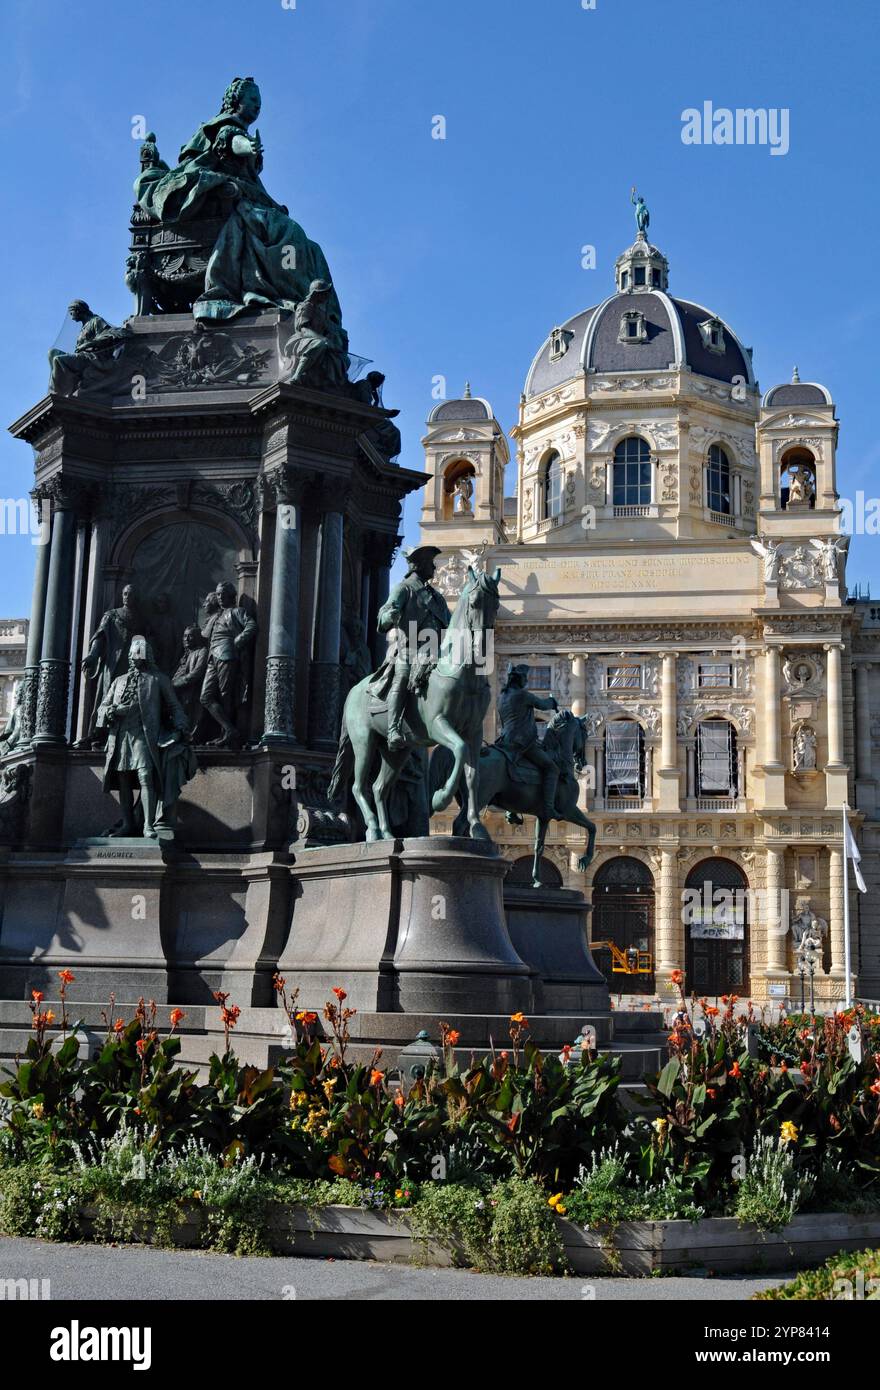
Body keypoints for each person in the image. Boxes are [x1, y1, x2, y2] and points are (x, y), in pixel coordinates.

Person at [135, 75, 348, 352]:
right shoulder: (226, 128)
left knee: (311, 247)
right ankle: (276, 292)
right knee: (288, 231)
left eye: (260, 101)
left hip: (240, 199)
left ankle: (309, 306)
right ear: (236, 101)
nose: (258, 106)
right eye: (253, 100)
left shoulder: (234, 130)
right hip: (226, 202)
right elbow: (232, 142)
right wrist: (250, 147)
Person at [97, 636, 195, 837]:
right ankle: (127, 824)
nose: (133, 659)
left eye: (137, 655)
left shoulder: (158, 679)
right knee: (124, 780)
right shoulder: (119, 681)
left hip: (144, 736)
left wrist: (181, 729)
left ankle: (147, 825)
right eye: (132, 655)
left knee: (145, 776)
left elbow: (174, 707)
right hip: (121, 736)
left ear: (146, 657)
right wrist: (112, 711)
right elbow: (102, 707)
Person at [371, 546, 450, 752]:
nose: (434, 567)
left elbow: (449, 627)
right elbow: (383, 616)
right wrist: (390, 616)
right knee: (403, 675)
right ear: (421, 565)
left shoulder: (437, 597)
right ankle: (393, 728)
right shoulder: (403, 588)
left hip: (435, 652)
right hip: (410, 651)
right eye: (431, 563)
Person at [80, 585, 146, 745]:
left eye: (130, 594)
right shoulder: (111, 615)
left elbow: (141, 643)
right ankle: (100, 733)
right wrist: (92, 655)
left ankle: (123, 734)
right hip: (113, 663)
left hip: (130, 664)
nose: (126, 597)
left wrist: (140, 663)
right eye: (124, 593)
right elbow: (100, 637)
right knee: (107, 697)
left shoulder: (140, 620)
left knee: (129, 697)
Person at [495, 663, 561, 822]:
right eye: (525, 678)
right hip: (523, 743)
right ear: (519, 679)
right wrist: (552, 701)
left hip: (504, 741)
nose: (527, 681)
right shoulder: (522, 695)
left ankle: (511, 810)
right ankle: (548, 808)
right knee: (552, 768)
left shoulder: (501, 698)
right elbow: (543, 705)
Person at [199, 581, 258, 748]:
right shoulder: (216, 616)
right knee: (206, 697)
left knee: (226, 696)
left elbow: (251, 625)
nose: (220, 597)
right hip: (213, 658)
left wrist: (238, 640)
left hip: (227, 655)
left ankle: (227, 734)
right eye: (217, 594)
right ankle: (229, 729)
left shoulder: (237, 612)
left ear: (231, 595)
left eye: (222, 594)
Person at [48, 301, 131, 397]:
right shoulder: (83, 327)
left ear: (78, 310)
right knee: (52, 353)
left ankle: (57, 394)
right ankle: (63, 387)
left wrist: (87, 344)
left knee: (58, 360)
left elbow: (107, 335)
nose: (71, 317)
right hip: (83, 356)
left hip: (93, 357)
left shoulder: (96, 321)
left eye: (71, 313)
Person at [172, 625, 210, 734]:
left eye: (190, 636)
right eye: (185, 636)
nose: (186, 639)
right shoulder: (185, 654)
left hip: (191, 692)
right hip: (176, 691)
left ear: (197, 637)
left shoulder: (202, 651)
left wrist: (175, 683)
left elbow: (197, 673)